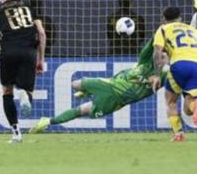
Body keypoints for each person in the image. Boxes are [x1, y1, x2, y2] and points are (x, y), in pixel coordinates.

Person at [31, 38, 169, 133]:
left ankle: (47, 121)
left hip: (117, 101)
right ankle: (86, 91)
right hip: (110, 85)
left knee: (81, 111)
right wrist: (163, 33)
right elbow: (153, 42)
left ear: (168, 60)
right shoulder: (145, 61)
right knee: (76, 84)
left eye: (163, 57)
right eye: (159, 56)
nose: (159, 59)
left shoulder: (165, 76)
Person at [0, 0, 46, 143]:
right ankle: (23, 94)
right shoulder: (29, 8)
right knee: (28, 92)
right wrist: (41, 59)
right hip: (29, 52)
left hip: (8, 53)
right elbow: (41, 33)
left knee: (7, 91)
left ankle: (16, 133)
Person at [149, 6, 197, 142]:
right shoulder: (193, 30)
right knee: (189, 108)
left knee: (171, 101)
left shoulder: (163, 29)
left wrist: (157, 74)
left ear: (163, 19)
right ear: (180, 18)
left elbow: (157, 52)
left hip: (179, 64)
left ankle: (179, 134)